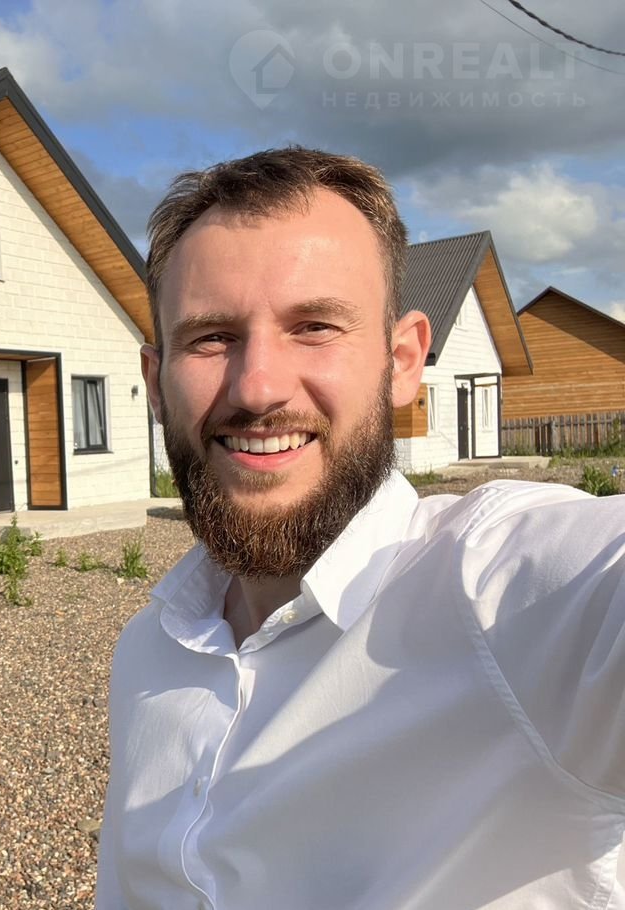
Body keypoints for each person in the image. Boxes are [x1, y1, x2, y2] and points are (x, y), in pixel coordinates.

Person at [95, 147, 625, 910]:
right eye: (211, 337)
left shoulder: (504, 598)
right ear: (155, 382)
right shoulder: (149, 650)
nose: (258, 388)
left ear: (402, 361)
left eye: (314, 326)